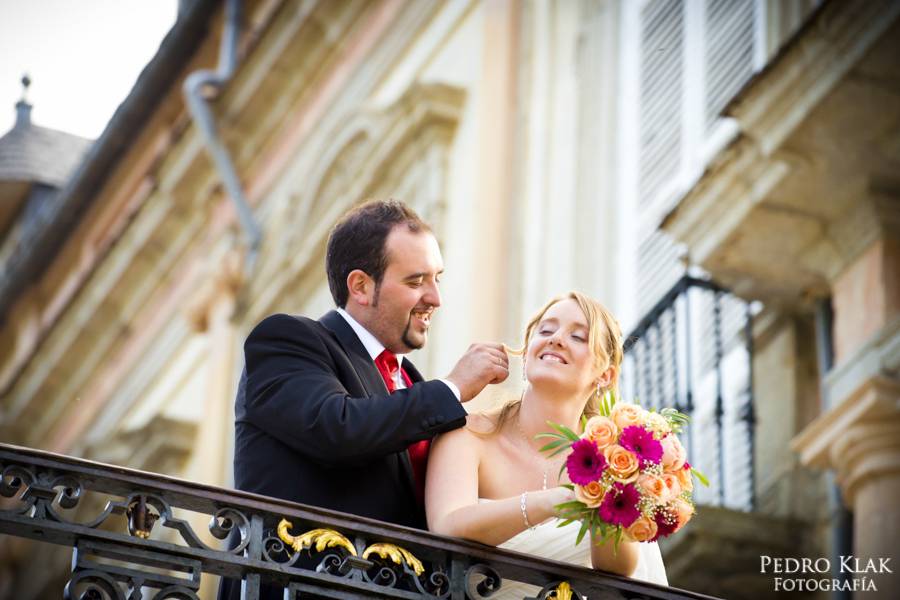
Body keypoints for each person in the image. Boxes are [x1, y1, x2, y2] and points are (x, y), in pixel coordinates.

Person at [220, 199, 509, 599]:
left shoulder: (409, 381)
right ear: (360, 286)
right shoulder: (288, 341)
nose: (435, 298)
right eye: (415, 281)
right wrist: (453, 387)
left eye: (437, 278)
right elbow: (339, 428)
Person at [426, 291, 668, 598]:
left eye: (578, 336)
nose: (556, 339)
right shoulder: (467, 435)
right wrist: (549, 502)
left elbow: (619, 571)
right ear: (528, 350)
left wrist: (611, 497)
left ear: (605, 375)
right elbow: (446, 524)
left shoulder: (614, 458)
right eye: (546, 330)